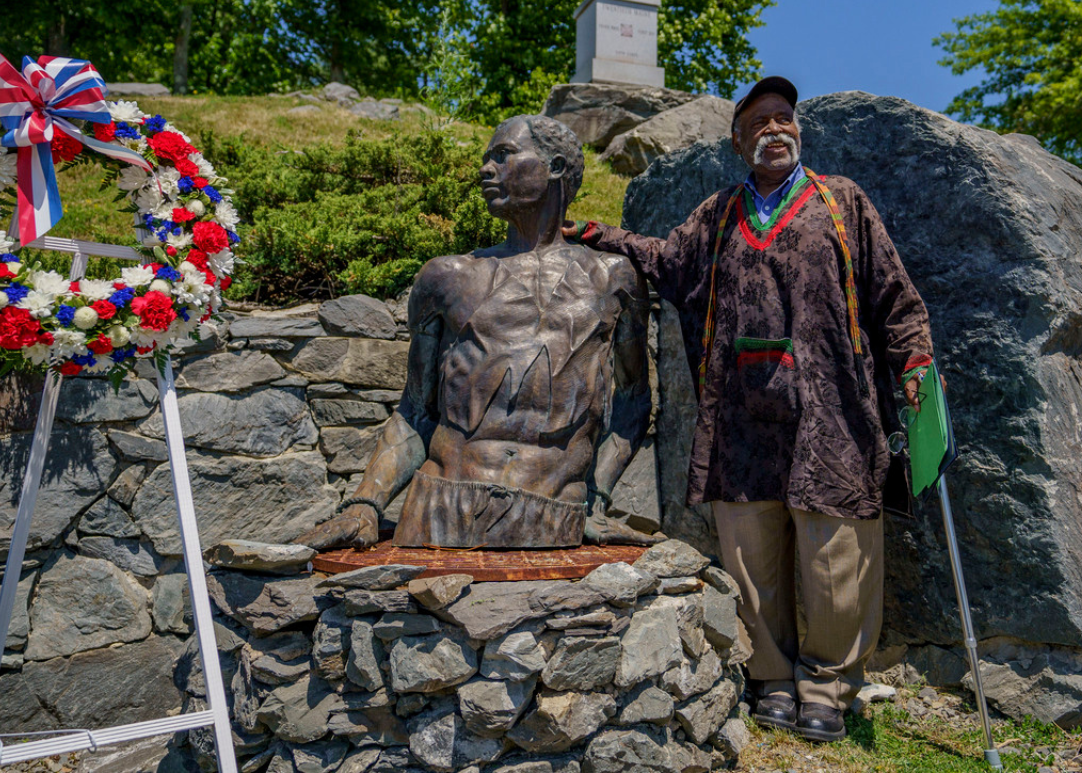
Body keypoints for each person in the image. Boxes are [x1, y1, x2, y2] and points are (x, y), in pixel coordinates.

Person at [564, 76, 935, 742]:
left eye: (784, 119)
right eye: (759, 123)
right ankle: (770, 676)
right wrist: (600, 236)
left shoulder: (842, 201)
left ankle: (828, 683)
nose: (775, 130)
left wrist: (913, 359)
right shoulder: (720, 213)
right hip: (741, 415)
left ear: (800, 130)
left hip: (833, 412)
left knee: (836, 553)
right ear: (739, 143)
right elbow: (667, 260)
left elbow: (893, 294)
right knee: (752, 551)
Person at [297, 114, 655, 551]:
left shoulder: (614, 277)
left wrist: (595, 500)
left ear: (555, 167)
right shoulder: (447, 277)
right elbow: (415, 411)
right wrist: (365, 504)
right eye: (486, 160)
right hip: (440, 509)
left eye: (502, 156)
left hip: (557, 516)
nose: (486, 169)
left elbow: (634, 400)